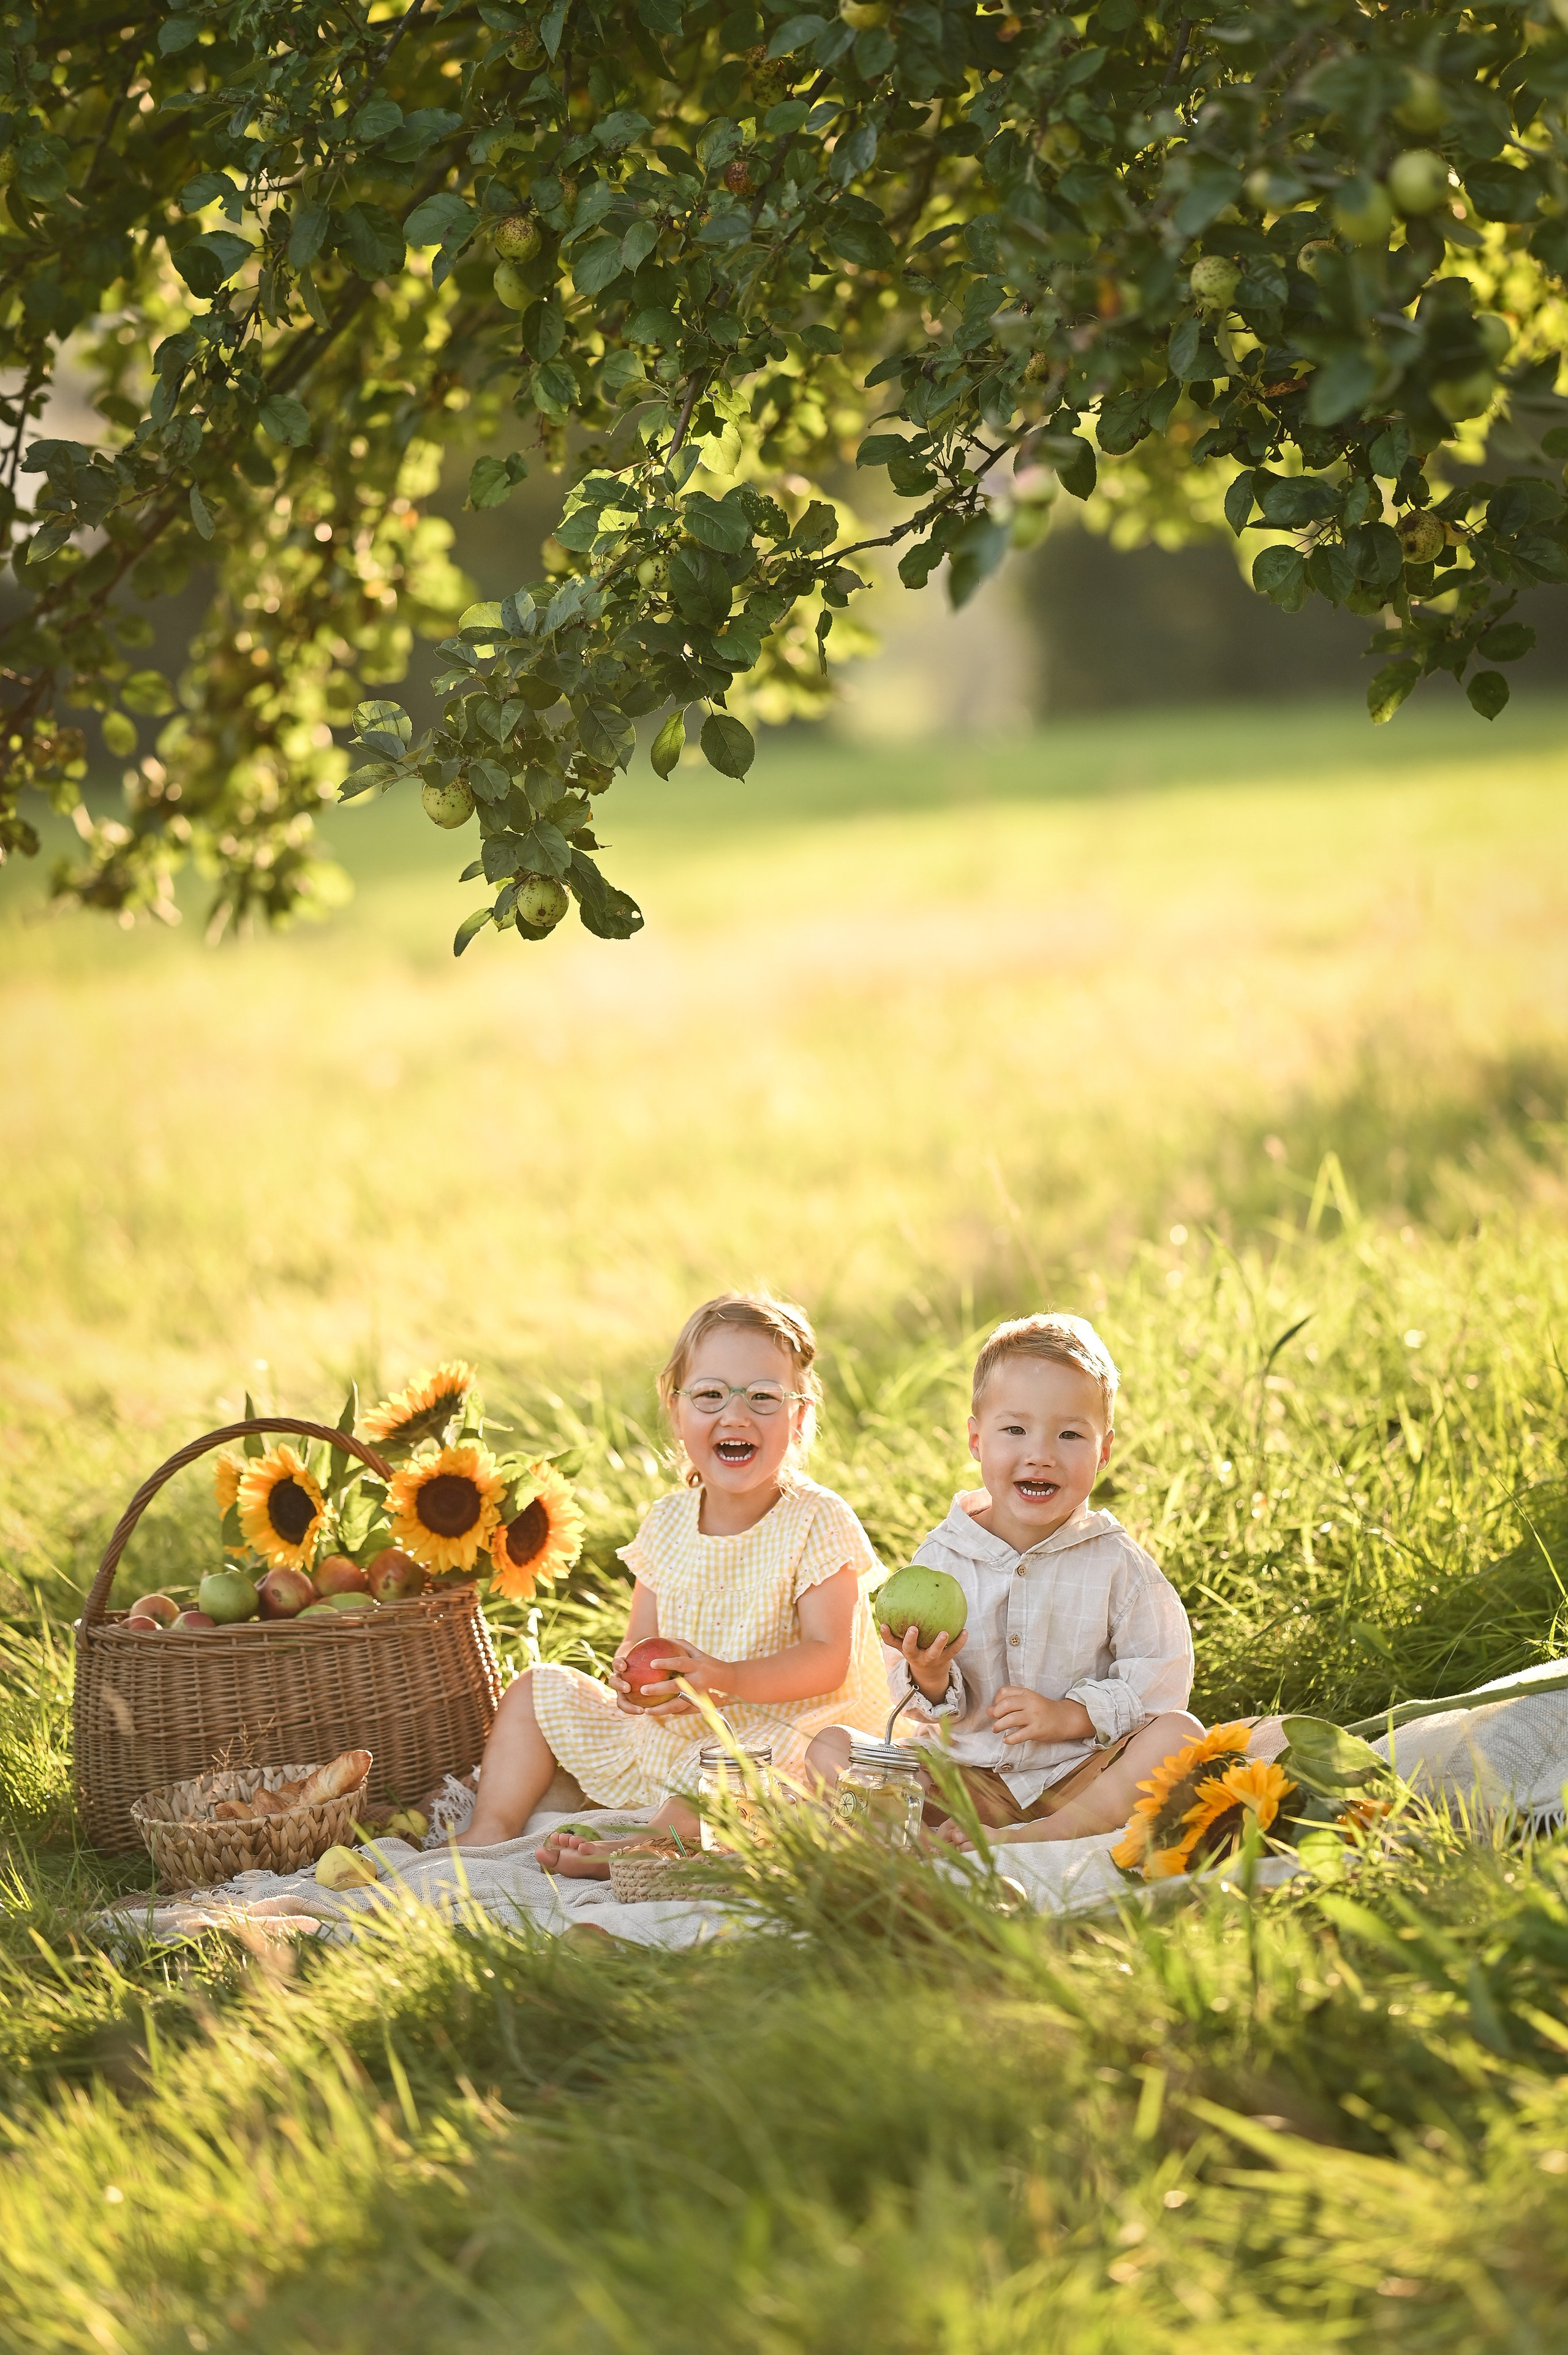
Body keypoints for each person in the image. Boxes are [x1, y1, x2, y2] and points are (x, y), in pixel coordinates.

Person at [456, 1291, 888, 1867]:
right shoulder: (667, 1521)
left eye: (763, 1397)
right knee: (537, 1688)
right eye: (711, 1395)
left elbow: (829, 1658)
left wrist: (726, 1679)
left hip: (773, 1731)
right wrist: (633, 1683)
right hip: (669, 1736)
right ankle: (491, 1827)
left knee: (725, 1772)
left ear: (800, 1416)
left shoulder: (816, 1519)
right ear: (677, 1410)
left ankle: (640, 1847)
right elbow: (640, 1640)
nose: (735, 1416)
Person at [805, 1312, 1200, 1847]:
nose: (1040, 1453)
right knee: (831, 1749)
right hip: (964, 1777)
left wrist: (1071, 1716)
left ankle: (1048, 1833)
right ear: (976, 1440)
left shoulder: (1117, 1563)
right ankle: (907, 1839)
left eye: (1069, 1434)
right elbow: (916, 1703)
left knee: (1181, 1736)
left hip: (1077, 1776)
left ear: (1104, 1450)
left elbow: (1161, 1680)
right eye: (1015, 1430)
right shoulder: (943, 1558)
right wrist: (929, 1674)